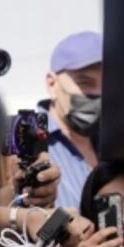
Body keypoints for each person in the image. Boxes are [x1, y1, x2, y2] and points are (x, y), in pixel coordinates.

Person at [37, 31, 102, 209]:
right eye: (85, 83)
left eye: (107, 83)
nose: (99, 93)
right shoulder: (25, 145)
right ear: (52, 84)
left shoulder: (118, 143)